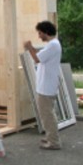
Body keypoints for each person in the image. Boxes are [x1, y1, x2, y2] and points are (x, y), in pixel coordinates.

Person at [24, 21, 62, 150]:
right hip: (46, 86)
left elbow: (37, 59)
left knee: (47, 115)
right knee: (47, 114)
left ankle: (54, 142)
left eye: (40, 33)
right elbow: (40, 56)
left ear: (46, 32)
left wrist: (29, 47)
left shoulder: (53, 45)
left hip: (47, 87)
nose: (39, 36)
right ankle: (50, 137)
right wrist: (32, 49)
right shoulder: (52, 45)